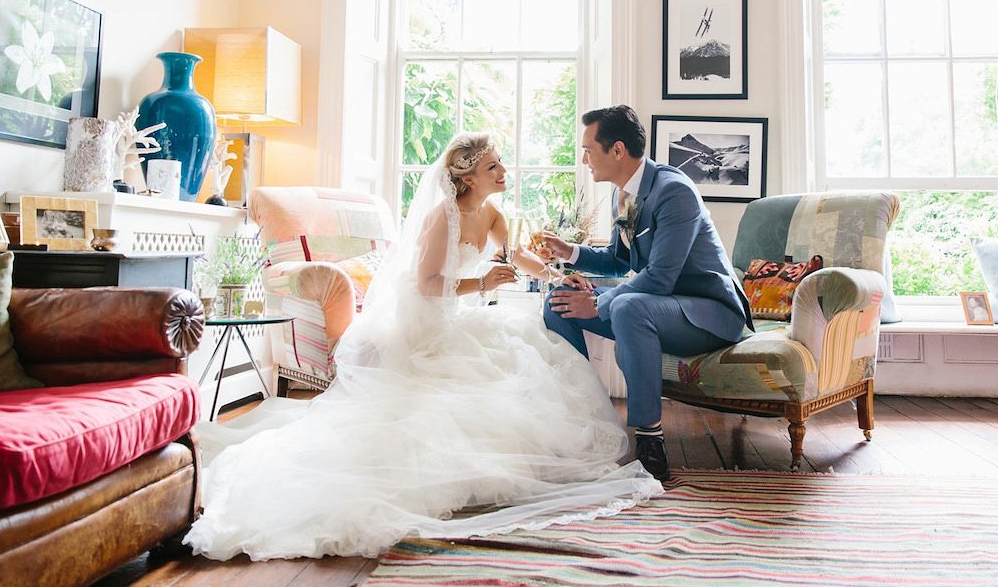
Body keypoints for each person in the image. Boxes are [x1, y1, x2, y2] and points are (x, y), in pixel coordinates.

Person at [184, 132, 662, 561]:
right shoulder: (443, 219)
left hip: (458, 316)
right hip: (425, 325)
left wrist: (557, 275)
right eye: (494, 165)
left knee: (527, 349)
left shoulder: (492, 212)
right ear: (469, 177)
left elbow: (517, 256)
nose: (503, 172)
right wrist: (480, 282)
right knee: (465, 386)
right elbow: (428, 284)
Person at [536, 106, 750, 481]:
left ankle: (651, 443)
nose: (583, 158)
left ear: (617, 150)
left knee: (630, 306)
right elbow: (619, 262)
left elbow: (660, 278)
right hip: (660, 307)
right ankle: (584, 419)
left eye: (588, 149)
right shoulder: (626, 194)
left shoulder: (674, 191)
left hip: (710, 314)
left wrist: (599, 301)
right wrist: (567, 251)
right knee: (559, 304)